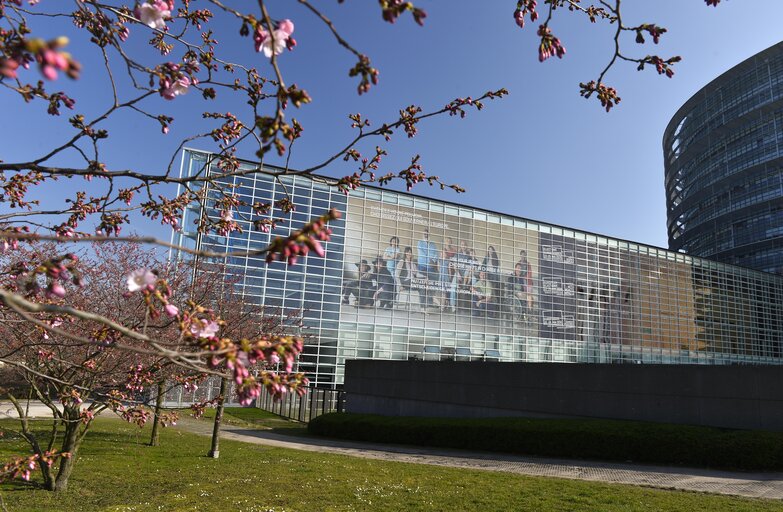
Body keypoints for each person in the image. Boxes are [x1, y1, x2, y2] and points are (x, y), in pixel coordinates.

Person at [416, 228, 439, 308]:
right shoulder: (420, 243)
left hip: (431, 267)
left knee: (432, 284)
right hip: (422, 267)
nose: (426, 235)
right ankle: (423, 305)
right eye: (424, 234)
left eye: (427, 234)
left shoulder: (433, 244)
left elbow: (436, 254)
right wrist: (430, 259)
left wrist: (433, 260)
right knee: (423, 286)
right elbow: (422, 254)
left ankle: (430, 303)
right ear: (423, 235)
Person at [382, 236, 400, 300]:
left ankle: (393, 297)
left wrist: (388, 255)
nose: (394, 243)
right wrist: (391, 256)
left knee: (394, 283)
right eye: (393, 241)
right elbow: (384, 258)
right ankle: (387, 297)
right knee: (387, 283)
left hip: (394, 270)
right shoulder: (388, 248)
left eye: (395, 242)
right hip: (387, 269)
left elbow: (395, 256)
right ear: (391, 242)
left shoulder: (398, 249)